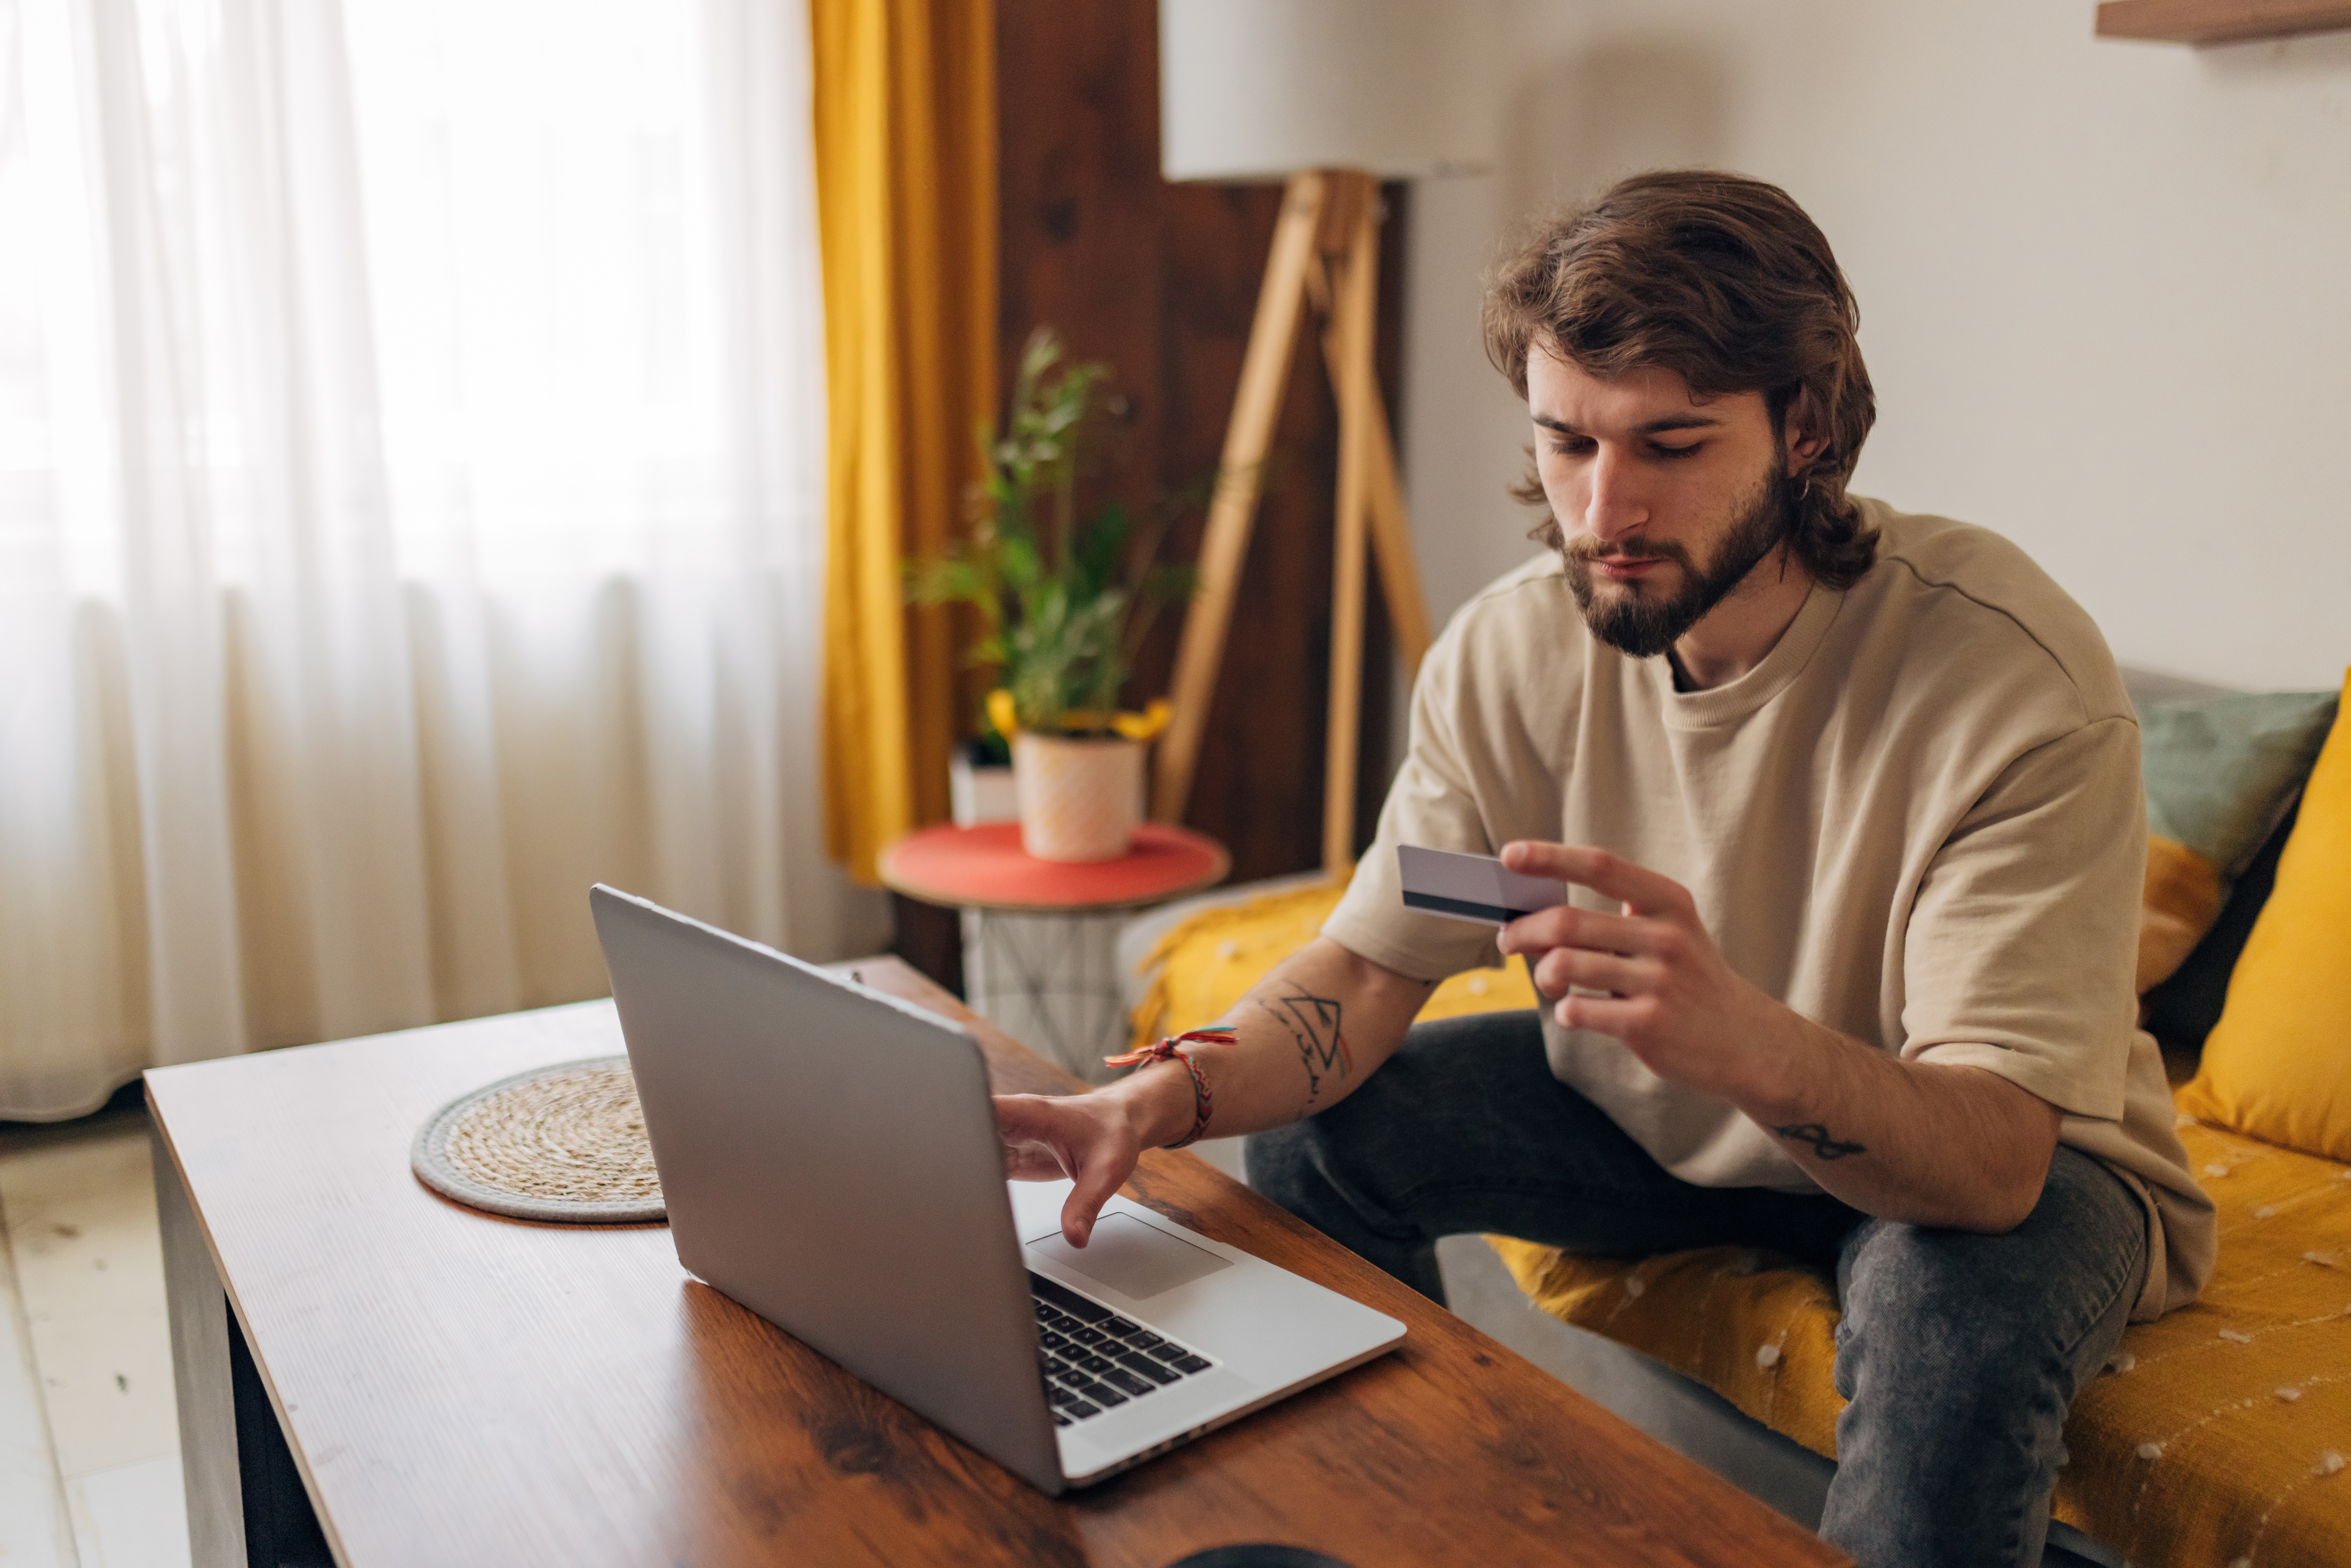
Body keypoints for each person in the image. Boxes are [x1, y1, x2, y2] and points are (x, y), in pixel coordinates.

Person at [993, 169, 2212, 1568]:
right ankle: (1400, 1529)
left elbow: (1996, 1159)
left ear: (1806, 428)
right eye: (1566, 443)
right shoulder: (1516, 657)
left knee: (1954, 1308)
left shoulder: (2007, 680)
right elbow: (1371, 968)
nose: (1603, 508)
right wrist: (1160, 1090)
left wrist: (1741, 1036)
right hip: (1678, 1118)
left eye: (1670, 444)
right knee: (1326, 1133)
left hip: (2002, 1157)